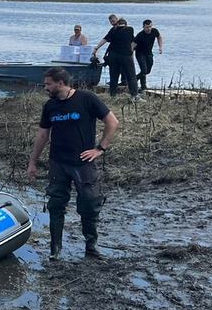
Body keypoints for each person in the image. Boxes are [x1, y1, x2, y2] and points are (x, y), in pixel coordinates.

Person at [27, 67, 119, 261]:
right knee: (56, 204)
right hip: (58, 163)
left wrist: (100, 149)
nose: (45, 87)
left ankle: (91, 248)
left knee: (89, 204)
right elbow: (43, 135)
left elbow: (112, 122)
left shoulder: (86, 99)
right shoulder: (50, 106)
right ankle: (55, 250)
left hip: (83, 164)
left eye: (48, 84)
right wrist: (33, 162)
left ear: (61, 83)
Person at [93, 17, 139, 98]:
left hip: (113, 56)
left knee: (113, 76)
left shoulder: (113, 30)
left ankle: (112, 95)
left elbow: (105, 39)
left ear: (117, 24)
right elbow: (132, 43)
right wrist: (132, 55)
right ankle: (134, 95)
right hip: (125, 56)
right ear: (126, 24)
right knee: (131, 76)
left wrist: (96, 48)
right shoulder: (130, 29)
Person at [133, 19, 164, 91]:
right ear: (143, 27)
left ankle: (135, 79)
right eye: (147, 27)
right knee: (143, 70)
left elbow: (159, 37)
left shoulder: (154, 31)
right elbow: (133, 45)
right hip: (140, 53)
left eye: (150, 27)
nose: (148, 29)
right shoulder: (140, 35)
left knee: (148, 71)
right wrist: (129, 54)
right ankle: (142, 86)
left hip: (149, 53)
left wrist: (160, 47)